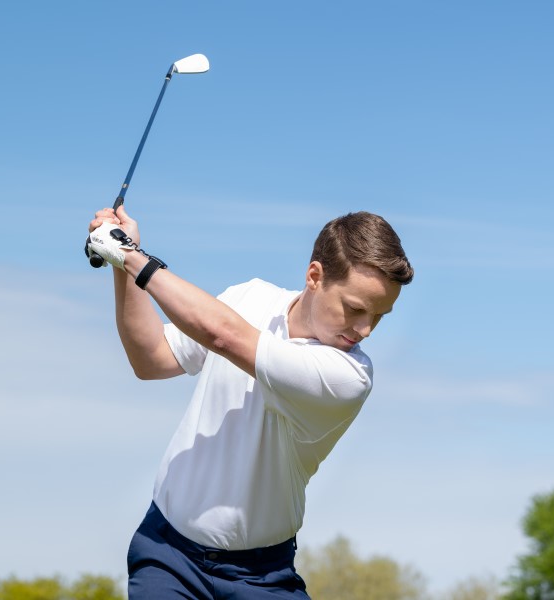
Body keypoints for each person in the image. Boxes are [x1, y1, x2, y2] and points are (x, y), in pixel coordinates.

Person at [86, 205, 414, 599]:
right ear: (315, 277)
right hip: (167, 553)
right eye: (356, 308)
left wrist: (129, 255)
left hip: (261, 577)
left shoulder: (347, 376)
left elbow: (225, 336)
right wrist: (121, 261)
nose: (365, 329)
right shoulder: (250, 297)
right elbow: (151, 357)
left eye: (380, 316)